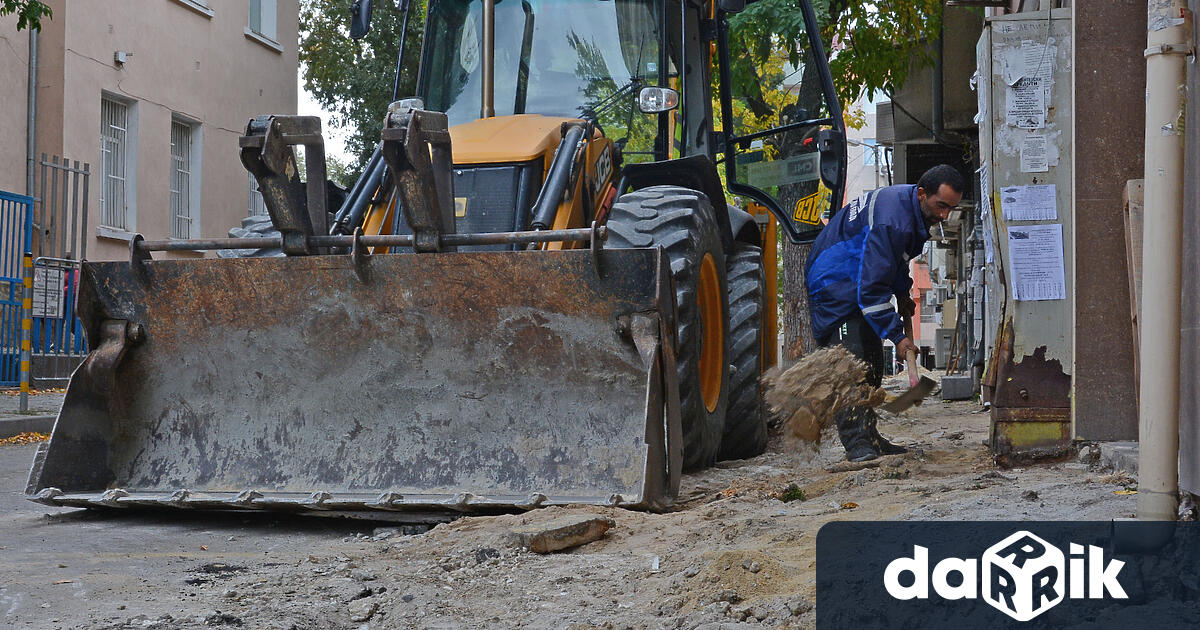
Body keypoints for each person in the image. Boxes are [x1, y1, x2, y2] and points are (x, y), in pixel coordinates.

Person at [805, 165, 965, 461]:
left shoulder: (910, 211)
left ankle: (870, 436)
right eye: (941, 205)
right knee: (850, 364)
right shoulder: (893, 221)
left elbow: (894, 259)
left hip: (856, 280)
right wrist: (898, 338)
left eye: (951, 209)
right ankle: (857, 445)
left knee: (874, 362)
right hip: (835, 285)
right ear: (921, 194)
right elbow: (870, 290)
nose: (944, 215)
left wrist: (903, 292)